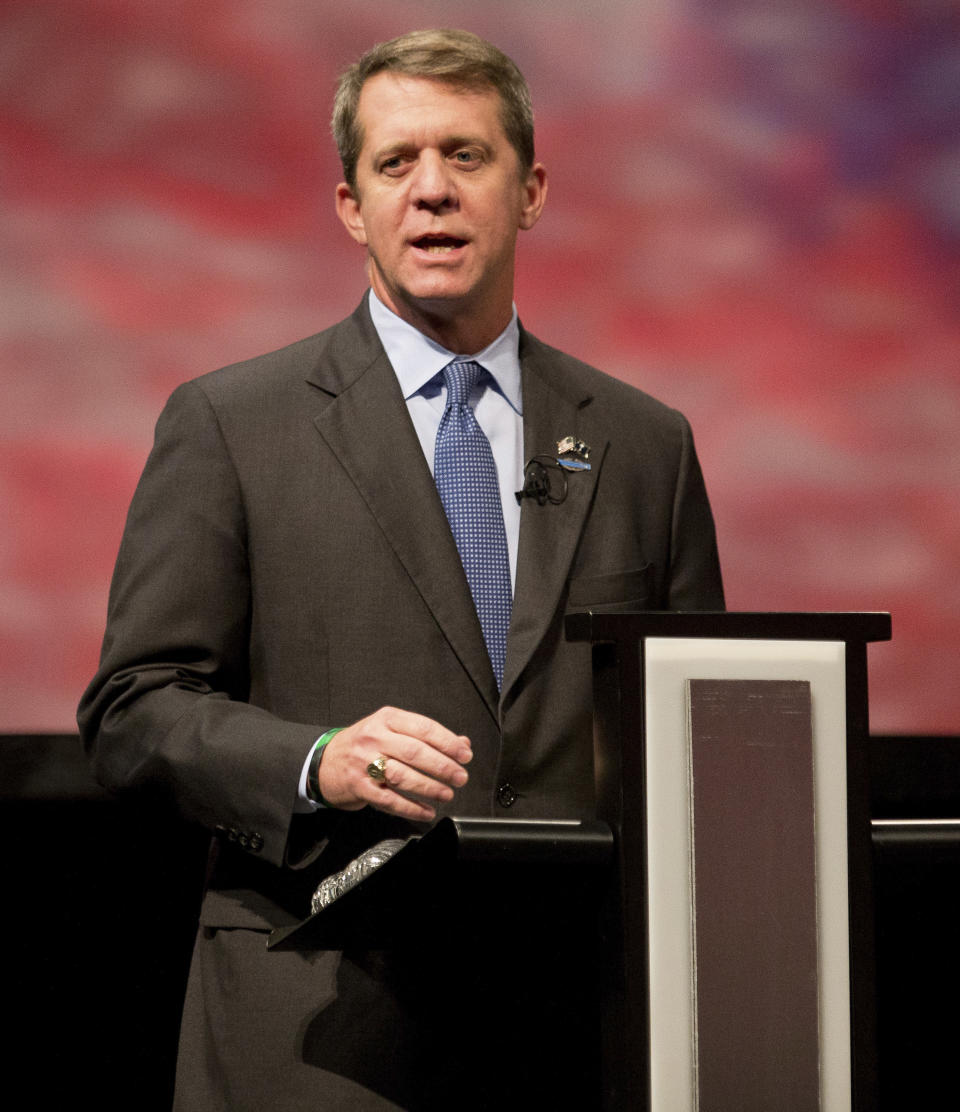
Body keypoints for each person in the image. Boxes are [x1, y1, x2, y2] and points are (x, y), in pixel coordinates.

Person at [79, 28, 724, 1111]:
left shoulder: (643, 444)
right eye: (395, 163)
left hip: (573, 1026)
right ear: (350, 206)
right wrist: (316, 758)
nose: (431, 191)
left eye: (466, 156)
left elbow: (697, 729)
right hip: (319, 1030)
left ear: (531, 191)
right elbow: (133, 712)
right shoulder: (235, 424)